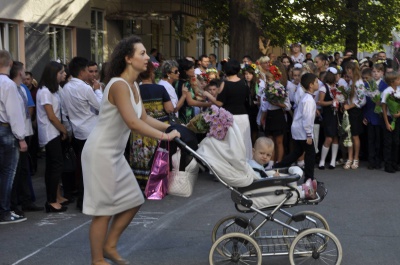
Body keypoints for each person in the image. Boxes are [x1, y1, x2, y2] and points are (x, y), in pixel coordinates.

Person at [81, 35, 180, 265]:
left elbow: (144, 117)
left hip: (113, 154)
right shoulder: (118, 85)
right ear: (128, 58)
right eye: (142, 53)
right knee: (103, 210)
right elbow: (133, 123)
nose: (148, 58)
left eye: (146, 53)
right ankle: (97, 260)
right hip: (100, 153)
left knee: (134, 199)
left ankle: (110, 245)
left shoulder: (134, 85)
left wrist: (174, 127)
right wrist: (165, 136)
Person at [61, 56, 103, 210]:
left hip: (78, 132)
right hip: (91, 131)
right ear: (82, 71)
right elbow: (100, 106)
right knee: (93, 168)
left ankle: (83, 198)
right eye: (87, 70)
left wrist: (70, 129)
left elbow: (64, 112)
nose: (90, 73)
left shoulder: (66, 88)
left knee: (84, 167)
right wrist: (98, 91)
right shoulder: (85, 88)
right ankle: (89, 200)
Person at [131, 61, 174, 189]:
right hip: (159, 126)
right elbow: (170, 108)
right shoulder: (160, 89)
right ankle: (157, 182)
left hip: (140, 127)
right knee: (158, 154)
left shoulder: (135, 89)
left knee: (140, 154)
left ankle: (141, 182)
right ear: (151, 73)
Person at [10, 61, 43, 217]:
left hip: (25, 131)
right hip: (15, 134)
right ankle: (14, 204)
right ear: (19, 72)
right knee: (14, 171)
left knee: (24, 169)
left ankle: (26, 200)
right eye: (23, 70)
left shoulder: (22, 89)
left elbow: (29, 107)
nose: (25, 73)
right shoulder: (10, 88)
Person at [274, 73, 319, 183]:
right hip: (303, 131)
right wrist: (309, 134)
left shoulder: (306, 97)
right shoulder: (308, 99)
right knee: (310, 153)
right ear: (311, 85)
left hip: (298, 129)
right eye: (316, 82)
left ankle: (278, 166)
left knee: (298, 152)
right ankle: (309, 178)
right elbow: (307, 118)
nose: (318, 84)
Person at [36, 61, 68, 212]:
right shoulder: (44, 91)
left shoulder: (54, 90)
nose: (64, 75)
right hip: (50, 133)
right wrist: (64, 130)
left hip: (54, 132)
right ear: (53, 74)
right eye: (61, 72)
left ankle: (57, 196)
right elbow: (51, 116)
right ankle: (51, 201)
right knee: (54, 167)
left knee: (55, 166)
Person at [0, 50, 28, 224]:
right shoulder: (8, 84)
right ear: (10, 64)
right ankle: (4, 211)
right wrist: (21, 137)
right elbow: (14, 113)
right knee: (8, 173)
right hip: (6, 130)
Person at [248, 137, 317, 199]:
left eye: (268, 155)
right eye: (262, 153)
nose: (265, 157)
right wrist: (272, 177)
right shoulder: (254, 168)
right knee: (285, 184)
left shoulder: (256, 164)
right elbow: (259, 182)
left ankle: (304, 188)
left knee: (285, 181)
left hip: (262, 189)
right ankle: (304, 193)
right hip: (261, 191)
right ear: (253, 152)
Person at [215, 59, 252, 159]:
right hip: (243, 116)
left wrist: (208, 95)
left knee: (231, 143)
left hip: (230, 117)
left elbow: (219, 103)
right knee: (244, 142)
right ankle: (246, 162)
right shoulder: (244, 83)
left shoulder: (225, 84)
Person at [342, 61, 366, 170]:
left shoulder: (359, 83)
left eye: (349, 73)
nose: (348, 75)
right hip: (349, 110)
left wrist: (350, 106)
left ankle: (356, 158)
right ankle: (349, 158)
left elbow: (362, 100)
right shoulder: (351, 82)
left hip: (355, 111)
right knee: (349, 135)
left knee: (355, 135)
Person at [363, 63, 387, 170]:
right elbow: (365, 102)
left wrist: (380, 104)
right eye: (374, 71)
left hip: (381, 116)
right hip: (370, 115)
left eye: (378, 72)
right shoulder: (367, 85)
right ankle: (371, 160)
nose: (376, 73)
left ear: (382, 73)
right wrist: (365, 116)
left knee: (379, 139)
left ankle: (378, 160)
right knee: (370, 139)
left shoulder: (385, 86)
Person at [317, 67, 340, 169]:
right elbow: (320, 102)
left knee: (336, 137)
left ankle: (333, 161)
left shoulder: (338, 87)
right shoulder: (323, 88)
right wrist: (332, 102)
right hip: (328, 115)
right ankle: (322, 160)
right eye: (337, 75)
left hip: (337, 114)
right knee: (329, 138)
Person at [381, 71, 400, 173]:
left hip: (397, 119)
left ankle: (394, 162)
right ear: (392, 81)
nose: (399, 81)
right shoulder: (387, 92)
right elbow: (384, 108)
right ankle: (388, 164)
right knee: (388, 142)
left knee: (396, 142)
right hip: (389, 118)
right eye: (398, 79)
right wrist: (387, 123)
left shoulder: (398, 91)